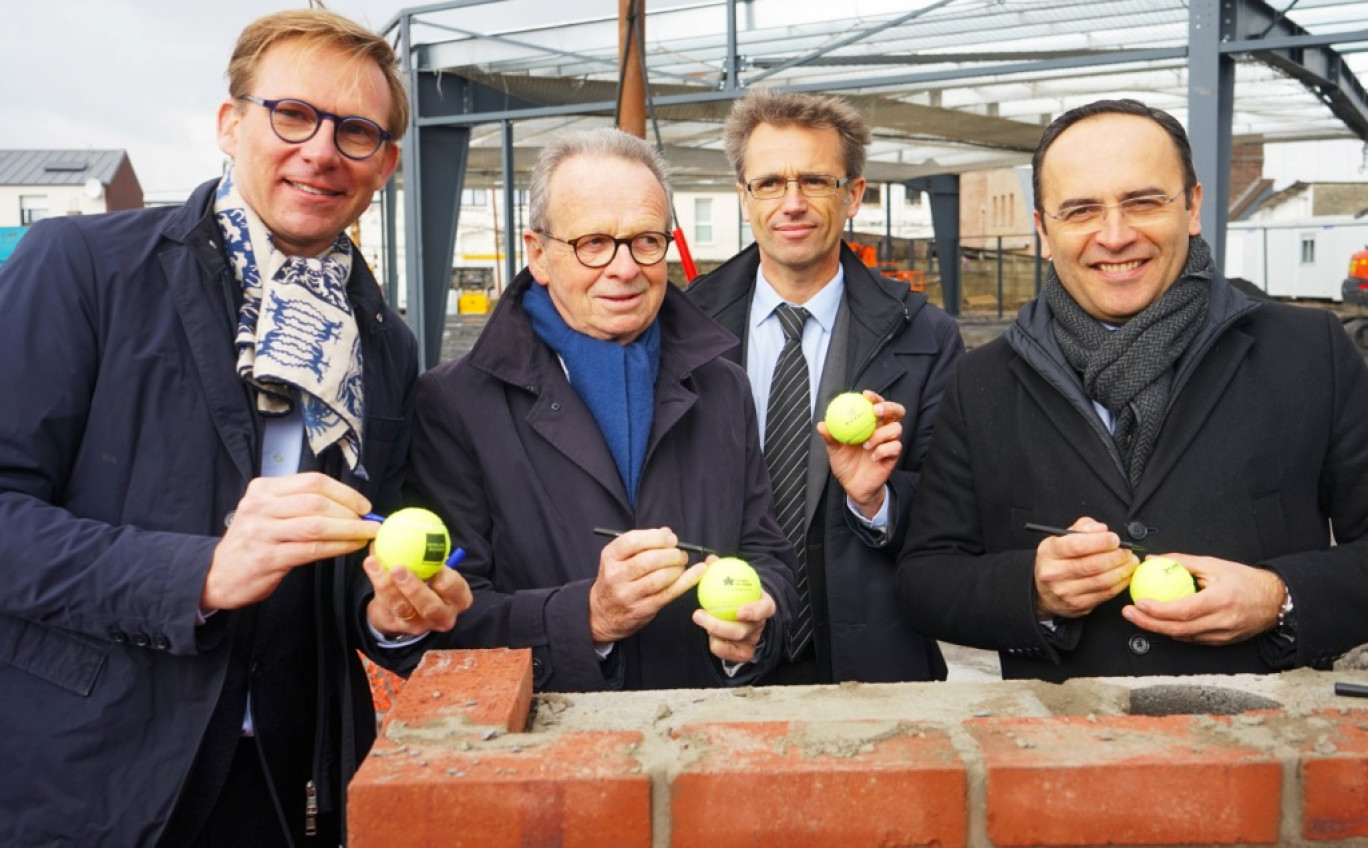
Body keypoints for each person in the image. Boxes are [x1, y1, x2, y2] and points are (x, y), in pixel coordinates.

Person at [0, 10, 471, 846]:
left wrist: (388, 612)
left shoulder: (384, 342)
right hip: (87, 775)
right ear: (229, 124)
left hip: (288, 782)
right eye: (292, 114)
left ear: (387, 165)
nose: (322, 150)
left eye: (357, 132)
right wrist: (199, 573)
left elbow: (353, 552)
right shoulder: (82, 267)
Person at [896, 98, 1368, 680]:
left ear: (1193, 206)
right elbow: (926, 578)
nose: (1114, 236)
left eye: (1143, 202)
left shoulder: (1309, 351)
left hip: (1264, 745)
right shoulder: (983, 380)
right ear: (1044, 230)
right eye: (1080, 211)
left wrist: (1280, 596)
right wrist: (1031, 589)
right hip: (1058, 751)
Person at [406, 127, 799, 692]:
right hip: (549, 754)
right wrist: (586, 619)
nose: (624, 268)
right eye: (593, 242)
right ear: (538, 254)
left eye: (645, 241)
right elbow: (444, 619)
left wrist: (758, 626)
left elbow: (768, 554)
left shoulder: (723, 388)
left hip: (701, 740)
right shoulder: (457, 404)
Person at [686, 89, 964, 684]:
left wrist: (874, 502)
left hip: (873, 669)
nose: (792, 204)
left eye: (815, 181)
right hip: (713, 656)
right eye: (769, 184)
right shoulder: (682, 329)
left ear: (854, 196)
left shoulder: (927, 336)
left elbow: (954, 511)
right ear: (743, 197)